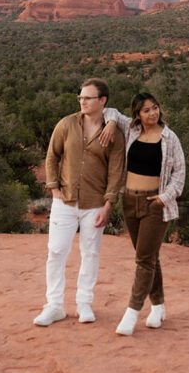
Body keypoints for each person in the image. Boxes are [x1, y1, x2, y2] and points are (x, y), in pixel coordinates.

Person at [33, 77, 125, 327]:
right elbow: (52, 156)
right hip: (65, 201)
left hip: (95, 203)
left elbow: (117, 170)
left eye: (88, 97)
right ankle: (54, 306)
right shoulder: (66, 124)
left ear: (102, 101)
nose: (82, 101)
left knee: (91, 253)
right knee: (56, 251)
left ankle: (84, 303)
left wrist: (109, 204)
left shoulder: (113, 131)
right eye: (80, 97)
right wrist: (53, 190)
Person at [101, 91, 185, 336]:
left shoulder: (170, 138)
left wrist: (163, 198)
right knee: (148, 257)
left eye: (156, 107)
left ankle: (132, 312)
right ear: (137, 114)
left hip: (154, 205)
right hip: (130, 201)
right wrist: (113, 123)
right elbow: (110, 111)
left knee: (143, 260)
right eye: (146, 110)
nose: (153, 113)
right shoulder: (132, 130)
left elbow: (179, 175)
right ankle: (158, 306)